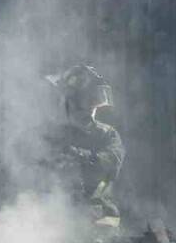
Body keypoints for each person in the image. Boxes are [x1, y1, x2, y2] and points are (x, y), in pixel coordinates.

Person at [43, 64, 124, 227]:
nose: (90, 108)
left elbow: (111, 161)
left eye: (94, 101)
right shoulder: (50, 136)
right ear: (69, 102)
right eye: (84, 101)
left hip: (100, 223)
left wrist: (81, 156)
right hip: (57, 224)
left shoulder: (107, 133)